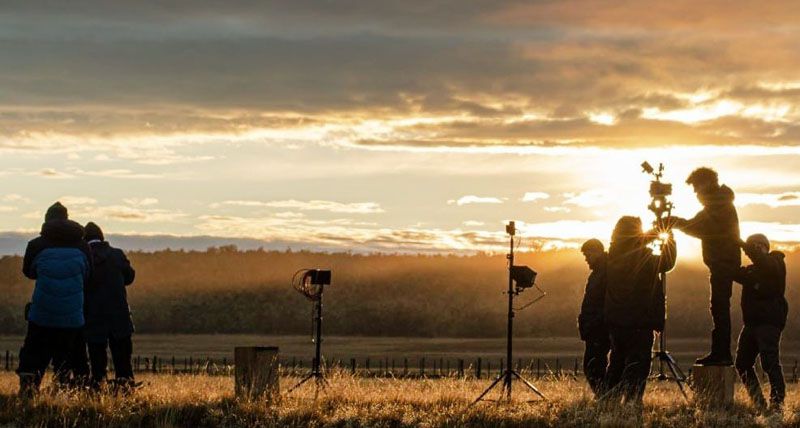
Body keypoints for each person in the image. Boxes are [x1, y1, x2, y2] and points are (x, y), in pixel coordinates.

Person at [18, 202, 92, 396]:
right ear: (67, 218)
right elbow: (88, 274)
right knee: (72, 354)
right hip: (73, 314)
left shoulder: (36, 245)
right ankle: (69, 390)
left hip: (42, 311)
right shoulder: (83, 246)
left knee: (34, 353)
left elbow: (28, 272)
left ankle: (29, 390)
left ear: (46, 219)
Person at [670, 167, 740, 366]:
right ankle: (720, 352)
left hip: (722, 264)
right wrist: (678, 223)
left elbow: (701, 228)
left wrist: (675, 222)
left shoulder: (719, 205)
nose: (695, 193)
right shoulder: (719, 204)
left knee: (719, 308)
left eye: (696, 187)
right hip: (722, 263)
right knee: (718, 308)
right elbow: (698, 225)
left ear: (706, 184)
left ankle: (721, 354)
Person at [603, 216, 676, 405]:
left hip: (617, 321)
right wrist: (669, 236)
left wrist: (650, 236)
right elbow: (667, 262)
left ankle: (609, 403)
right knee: (638, 365)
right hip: (639, 322)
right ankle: (632, 404)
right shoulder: (641, 257)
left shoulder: (613, 253)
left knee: (617, 364)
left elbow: (632, 244)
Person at [732, 234, 788, 412]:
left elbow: (764, 263)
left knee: (769, 362)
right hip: (751, 324)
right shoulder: (751, 270)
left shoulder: (776, 262)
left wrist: (743, 244)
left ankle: (777, 404)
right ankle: (759, 403)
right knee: (742, 363)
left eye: (757, 246)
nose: (753, 251)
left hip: (769, 322)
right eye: (751, 247)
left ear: (765, 246)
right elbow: (734, 272)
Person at [82, 222, 137, 390]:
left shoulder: (84, 258)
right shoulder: (117, 255)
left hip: (93, 315)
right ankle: (125, 389)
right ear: (102, 237)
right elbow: (130, 277)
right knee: (123, 361)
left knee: (97, 360)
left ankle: (98, 389)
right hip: (119, 314)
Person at [577, 238, 610, 398]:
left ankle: (605, 398)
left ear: (597, 252)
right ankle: (605, 397)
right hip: (595, 327)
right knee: (594, 366)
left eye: (588, 254)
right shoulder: (599, 272)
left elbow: (604, 302)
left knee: (593, 366)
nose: (586, 259)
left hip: (600, 328)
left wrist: (594, 323)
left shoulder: (605, 272)